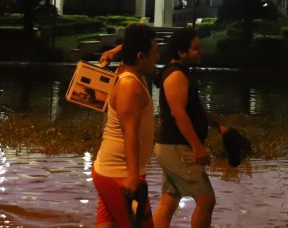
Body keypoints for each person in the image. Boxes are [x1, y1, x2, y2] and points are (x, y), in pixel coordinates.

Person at [152, 26, 228, 228]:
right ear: (181, 52)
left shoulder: (178, 73)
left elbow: (193, 111)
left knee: (169, 199)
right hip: (177, 147)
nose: (200, 51)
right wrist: (197, 146)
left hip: (170, 147)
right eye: (195, 48)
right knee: (206, 200)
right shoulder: (176, 76)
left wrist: (218, 126)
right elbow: (179, 113)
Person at [92, 23, 159, 228]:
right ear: (141, 57)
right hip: (119, 173)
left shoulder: (127, 72)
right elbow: (129, 132)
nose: (158, 56)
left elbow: (132, 42)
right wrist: (132, 176)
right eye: (155, 52)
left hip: (110, 169)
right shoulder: (129, 85)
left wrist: (115, 49)